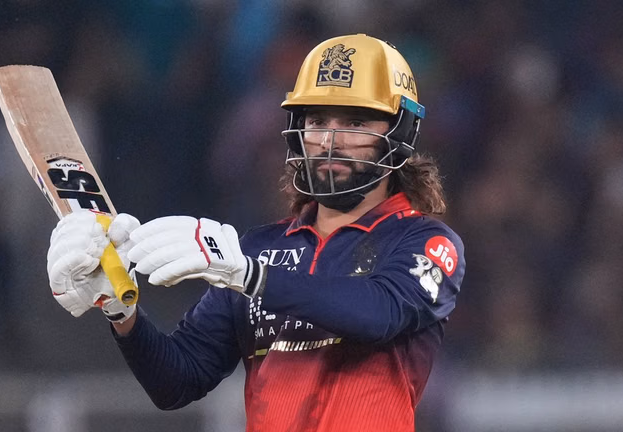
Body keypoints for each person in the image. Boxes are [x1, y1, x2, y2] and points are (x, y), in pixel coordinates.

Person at [46, 34, 465, 432]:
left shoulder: (425, 241)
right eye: (317, 120)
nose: (330, 141)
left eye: (355, 121)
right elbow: (177, 381)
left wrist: (252, 277)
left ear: (400, 133)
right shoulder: (258, 249)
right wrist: (122, 313)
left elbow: (378, 313)